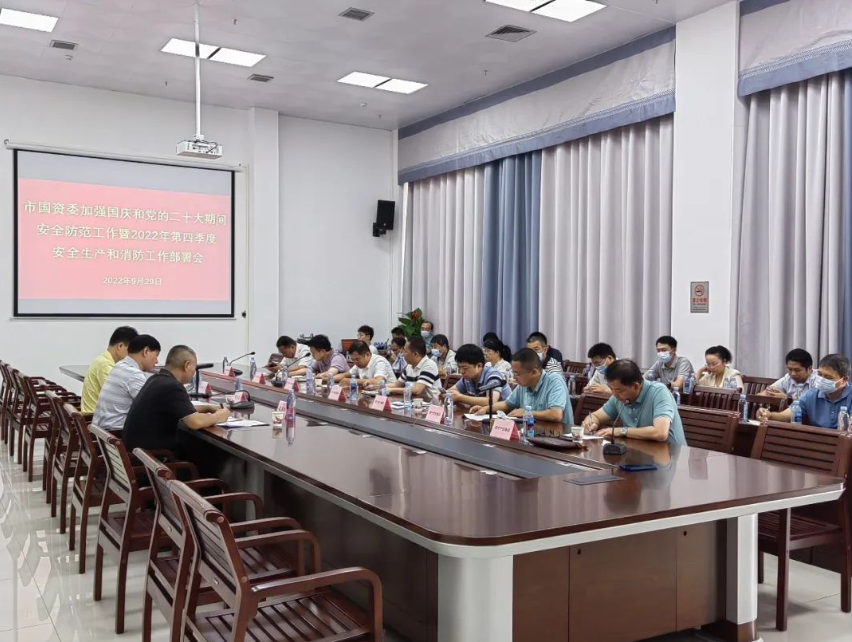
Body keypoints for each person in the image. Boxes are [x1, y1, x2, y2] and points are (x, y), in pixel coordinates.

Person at [122, 345, 230, 454]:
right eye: (194, 368)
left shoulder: (156, 379)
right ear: (186, 365)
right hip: (152, 458)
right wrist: (218, 417)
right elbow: (195, 422)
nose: (194, 373)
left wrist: (208, 407)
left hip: (138, 452)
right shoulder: (172, 386)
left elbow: (180, 408)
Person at [582, 359, 686, 446]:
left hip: (670, 455)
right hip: (638, 452)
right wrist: (590, 423)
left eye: (619, 390)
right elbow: (596, 416)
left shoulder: (659, 392)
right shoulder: (618, 397)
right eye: (611, 389)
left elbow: (660, 433)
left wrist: (621, 431)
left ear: (636, 386)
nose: (614, 394)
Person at [471, 348, 573, 430]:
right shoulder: (524, 384)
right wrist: (486, 409)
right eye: (513, 372)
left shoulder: (554, 381)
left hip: (558, 436)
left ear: (534, 372)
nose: (514, 377)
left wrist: (527, 413)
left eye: (517, 374)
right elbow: (507, 404)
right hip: (533, 433)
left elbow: (556, 414)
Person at [758, 354, 852, 429]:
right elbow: (790, 413)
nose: (822, 380)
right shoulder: (812, 394)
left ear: (844, 380)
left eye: (828, 377)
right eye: (820, 374)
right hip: (818, 441)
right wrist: (770, 415)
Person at [92, 334, 161, 431]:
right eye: (156, 355)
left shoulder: (119, 366)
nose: (157, 361)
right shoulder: (134, 374)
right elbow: (153, 408)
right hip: (116, 433)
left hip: (102, 431)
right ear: (145, 351)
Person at [81, 326, 139, 414]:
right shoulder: (105, 365)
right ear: (120, 346)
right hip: (95, 418)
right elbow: (118, 398)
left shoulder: (103, 359)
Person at [387, 336, 442, 402]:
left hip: (431, 404)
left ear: (415, 354)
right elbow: (396, 385)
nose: (402, 354)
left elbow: (416, 390)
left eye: (405, 351)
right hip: (415, 403)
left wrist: (391, 390)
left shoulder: (429, 365)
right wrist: (379, 386)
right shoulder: (409, 366)